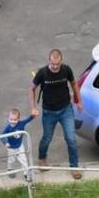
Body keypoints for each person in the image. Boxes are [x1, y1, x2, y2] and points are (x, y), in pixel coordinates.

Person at [30, 49, 83, 178]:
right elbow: (31, 88)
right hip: (49, 112)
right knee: (47, 138)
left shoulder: (66, 70)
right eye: (53, 63)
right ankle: (42, 159)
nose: (55, 66)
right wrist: (33, 107)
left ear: (61, 61)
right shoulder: (42, 73)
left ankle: (74, 166)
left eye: (57, 64)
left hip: (66, 110)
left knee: (71, 139)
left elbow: (74, 84)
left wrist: (79, 101)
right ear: (49, 60)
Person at [1, 107, 36, 180]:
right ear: (8, 119)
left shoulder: (21, 123)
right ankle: (10, 170)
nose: (13, 121)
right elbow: (2, 136)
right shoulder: (7, 128)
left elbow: (27, 119)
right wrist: (6, 143)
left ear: (18, 119)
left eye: (15, 120)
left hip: (20, 146)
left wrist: (33, 115)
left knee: (24, 160)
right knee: (11, 160)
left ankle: (26, 174)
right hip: (11, 148)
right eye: (11, 119)